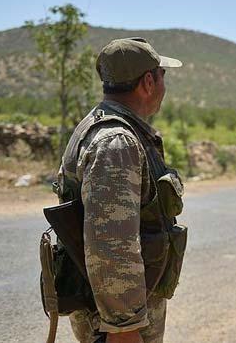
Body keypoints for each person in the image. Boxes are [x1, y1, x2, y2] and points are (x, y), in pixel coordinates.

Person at [55, 37, 186, 343]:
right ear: (149, 82)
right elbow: (112, 243)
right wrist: (124, 329)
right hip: (117, 322)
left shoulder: (105, 129)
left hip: (114, 314)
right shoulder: (116, 143)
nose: (165, 87)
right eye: (162, 76)